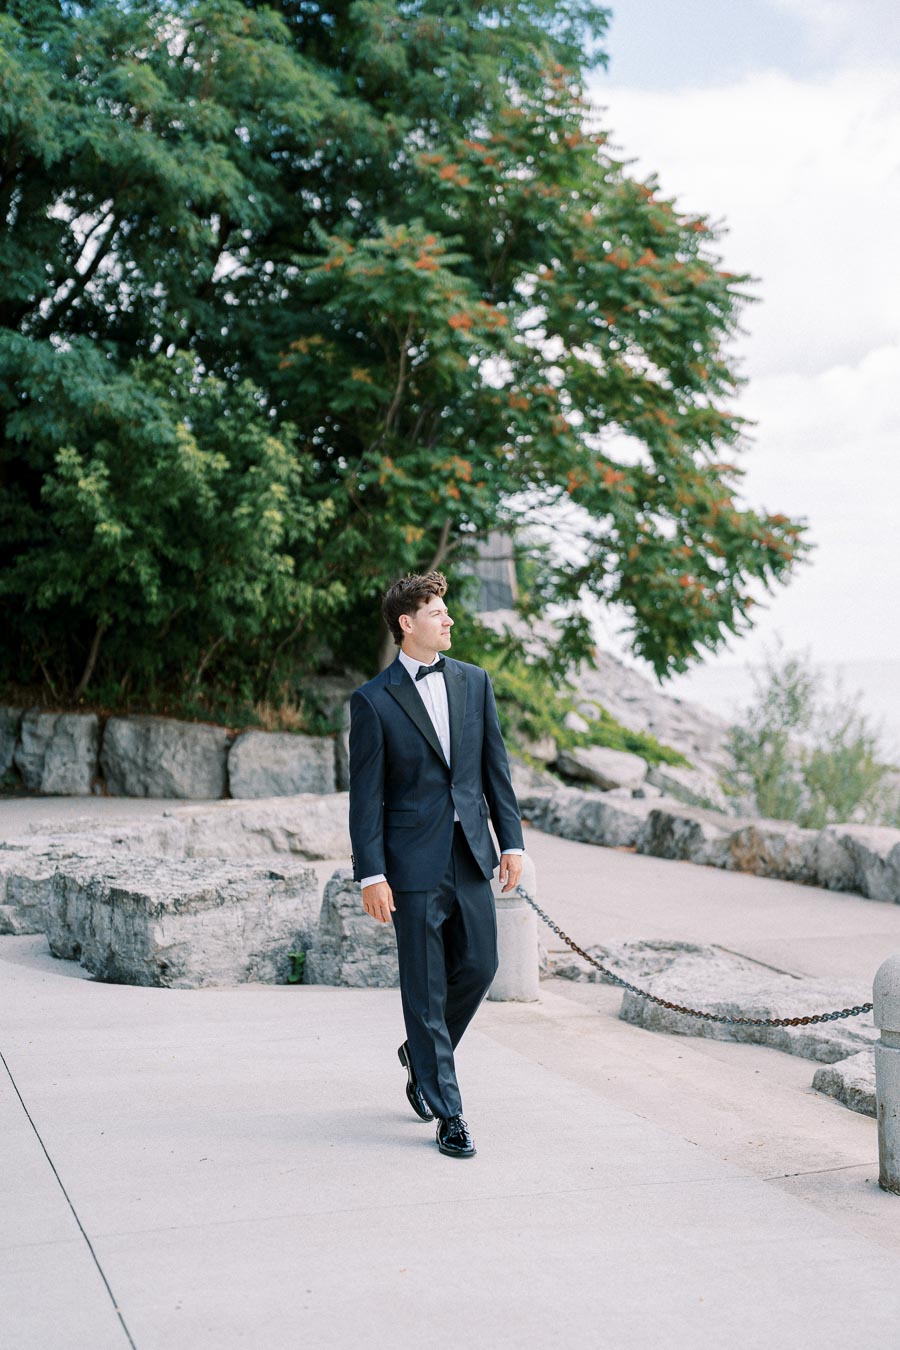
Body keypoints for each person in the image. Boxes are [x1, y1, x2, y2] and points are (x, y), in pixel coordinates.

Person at [348, 572, 524, 1158]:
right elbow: (366, 796)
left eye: (446, 611)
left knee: (481, 964)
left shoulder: (475, 682)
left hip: (470, 851)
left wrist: (512, 843)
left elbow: (494, 768)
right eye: (436, 612)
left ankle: (419, 1053)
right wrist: (372, 873)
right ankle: (448, 1110)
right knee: (424, 988)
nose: (448, 620)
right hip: (410, 862)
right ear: (407, 624)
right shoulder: (373, 700)